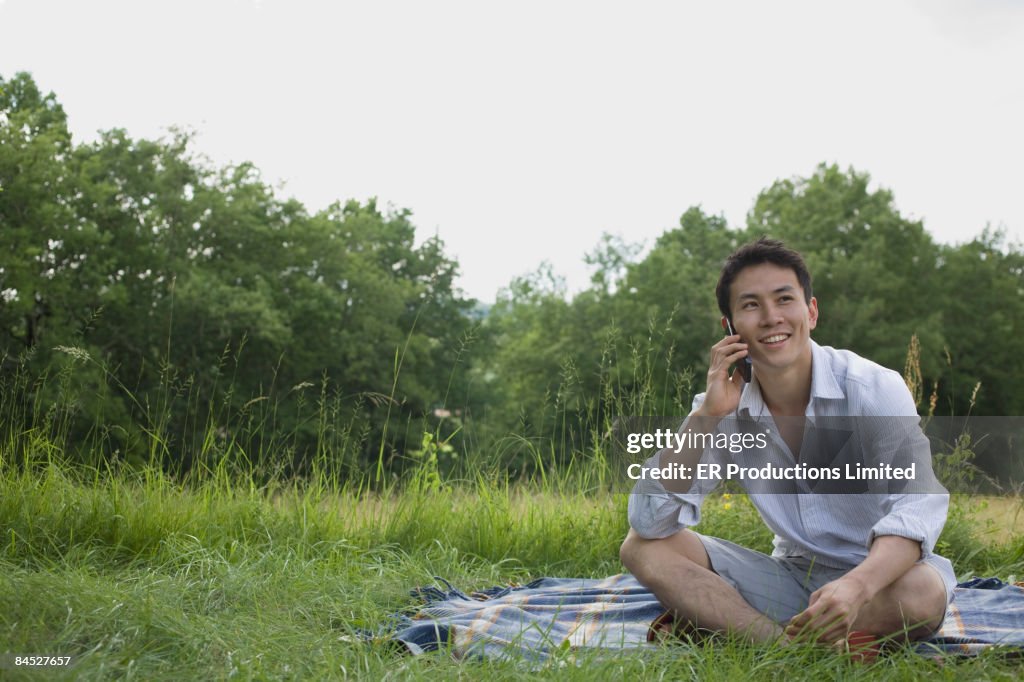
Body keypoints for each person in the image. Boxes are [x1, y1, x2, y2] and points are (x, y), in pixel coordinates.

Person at [619, 237, 953, 646]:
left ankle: (730, 625)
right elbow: (649, 521)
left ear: (810, 312)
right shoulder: (721, 405)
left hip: (881, 578)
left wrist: (856, 587)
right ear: (730, 327)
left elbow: (917, 504)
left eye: (784, 299)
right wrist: (706, 416)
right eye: (751, 305)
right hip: (791, 575)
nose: (771, 317)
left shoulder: (871, 388)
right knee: (641, 549)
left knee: (922, 595)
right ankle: (781, 647)